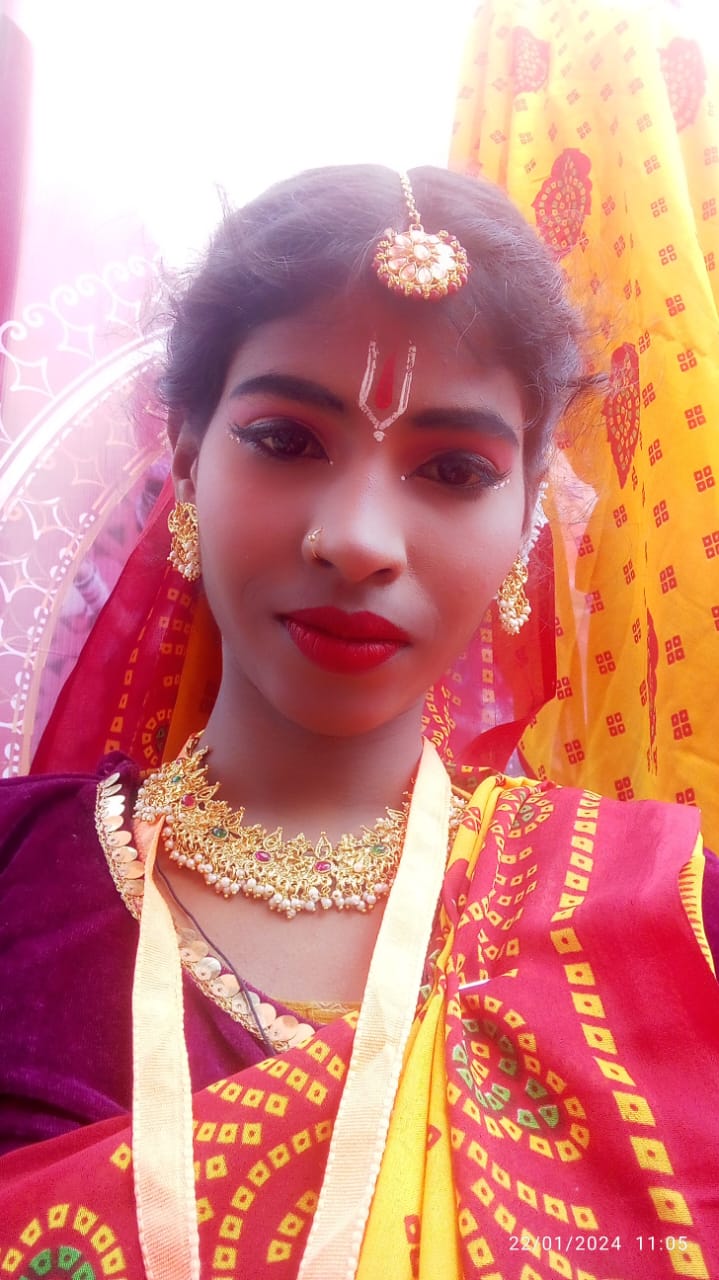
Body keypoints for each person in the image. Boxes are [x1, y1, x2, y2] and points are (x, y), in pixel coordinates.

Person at [1, 164, 717, 1279]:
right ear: (186, 455)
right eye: (287, 439)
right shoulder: (18, 875)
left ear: (530, 513)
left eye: (453, 468)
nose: (356, 539)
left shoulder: (660, 921)